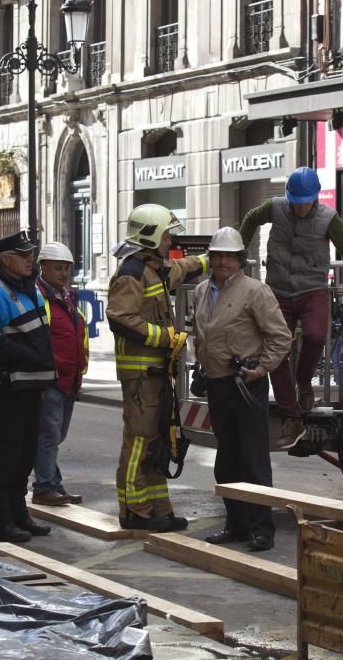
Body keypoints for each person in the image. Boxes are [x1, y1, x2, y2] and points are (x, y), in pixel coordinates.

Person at [239, 166, 343, 449]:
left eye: (304, 204)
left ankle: (303, 379)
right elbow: (251, 218)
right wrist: (241, 256)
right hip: (277, 291)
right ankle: (292, 419)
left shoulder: (328, 219)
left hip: (312, 289)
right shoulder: (275, 208)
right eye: (295, 204)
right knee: (275, 354)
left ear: (314, 199)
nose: (299, 209)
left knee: (315, 335)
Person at [107, 204, 208, 532]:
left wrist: (213, 257)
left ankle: (157, 510)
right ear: (150, 236)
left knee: (155, 443)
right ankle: (133, 511)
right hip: (140, 376)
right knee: (138, 442)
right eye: (166, 234)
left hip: (155, 374)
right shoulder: (132, 273)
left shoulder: (155, 269)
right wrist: (165, 337)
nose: (170, 241)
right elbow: (120, 318)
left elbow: (182, 269)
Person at [191, 227, 292, 551]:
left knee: (254, 460)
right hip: (218, 385)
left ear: (239, 260)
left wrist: (260, 369)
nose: (222, 261)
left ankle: (263, 530)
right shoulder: (201, 291)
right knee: (227, 460)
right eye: (217, 255)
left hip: (246, 386)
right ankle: (235, 525)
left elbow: (281, 337)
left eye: (228, 256)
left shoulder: (255, 292)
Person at [0, 231, 56, 543]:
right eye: (23, 255)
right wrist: (26, 357)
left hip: (33, 386)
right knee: (6, 456)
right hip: (11, 386)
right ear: (6, 260)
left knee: (25, 456)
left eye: (30, 253)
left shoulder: (30, 288)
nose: (30, 259)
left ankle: (19, 514)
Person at [31, 242, 88, 506]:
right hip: (51, 379)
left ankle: (52, 482)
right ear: (42, 267)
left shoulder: (65, 295)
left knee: (56, 436)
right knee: (49, 436)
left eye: (66, 268)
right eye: (58, 268)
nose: (63, 273)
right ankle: (44, 486)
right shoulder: (37, 296)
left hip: (69, 379)